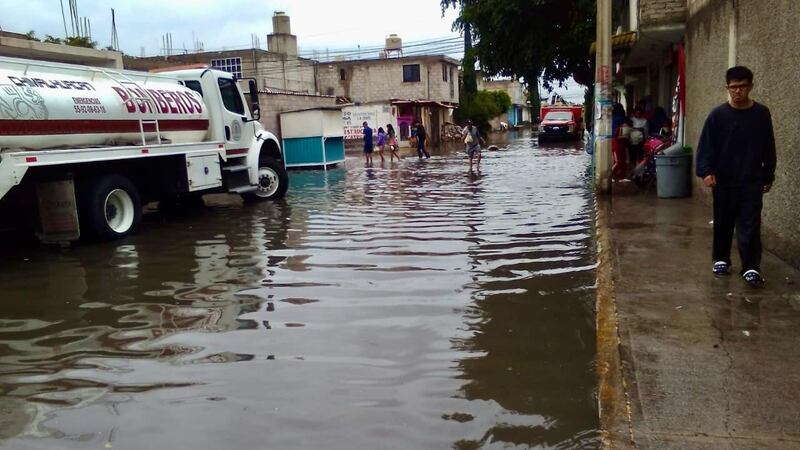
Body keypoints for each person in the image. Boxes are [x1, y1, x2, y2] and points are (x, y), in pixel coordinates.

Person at [696, 66, 776, 287]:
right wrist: (706, 171)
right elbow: (706, 146)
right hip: (724, 178)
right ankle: (721, 258)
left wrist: (768, 174)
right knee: (723, 220)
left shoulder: (761, 114)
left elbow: (768, 145)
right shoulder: (718, 115)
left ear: (750, 86)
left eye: (742, 87)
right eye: (733, 87)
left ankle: (751, 266)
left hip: (751, 178)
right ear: (727, 88)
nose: (738, 91)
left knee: (750, 223)